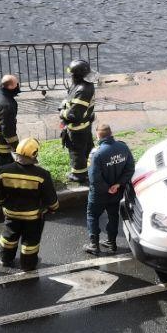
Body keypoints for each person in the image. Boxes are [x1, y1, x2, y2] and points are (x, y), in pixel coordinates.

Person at [0, 138, 59, 271]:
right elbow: (51, 199)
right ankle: (28, 264)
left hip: (11, 213)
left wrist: (3, 204)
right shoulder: (42, 175)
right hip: (33, 216)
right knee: (31, 241)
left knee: (9, 237)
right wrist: (53, 209)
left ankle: (5, 258)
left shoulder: (3, 171)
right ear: (34, 154)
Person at [84, 123, 133, 256]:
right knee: (113, 216)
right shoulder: (123, 147)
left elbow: (94, 177)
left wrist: (107, 188)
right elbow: (130, 169)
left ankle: (94, 244)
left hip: (99, 194)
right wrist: (117, 185)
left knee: (93, 215)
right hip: (116, 193)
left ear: (98, 135)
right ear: (111, 133)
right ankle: (112, 242)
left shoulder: (97, 153)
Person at [59, 58, 95, 187]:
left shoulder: (83, 90)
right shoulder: (81, 85)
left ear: (76, 75)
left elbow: (74, 115)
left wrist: (62, 113)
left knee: (76, 150)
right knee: (86, 148)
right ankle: (92, 168)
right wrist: (63, 105)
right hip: (84, 125)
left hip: (77, 128)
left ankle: (78, 175)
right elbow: (69, 98)